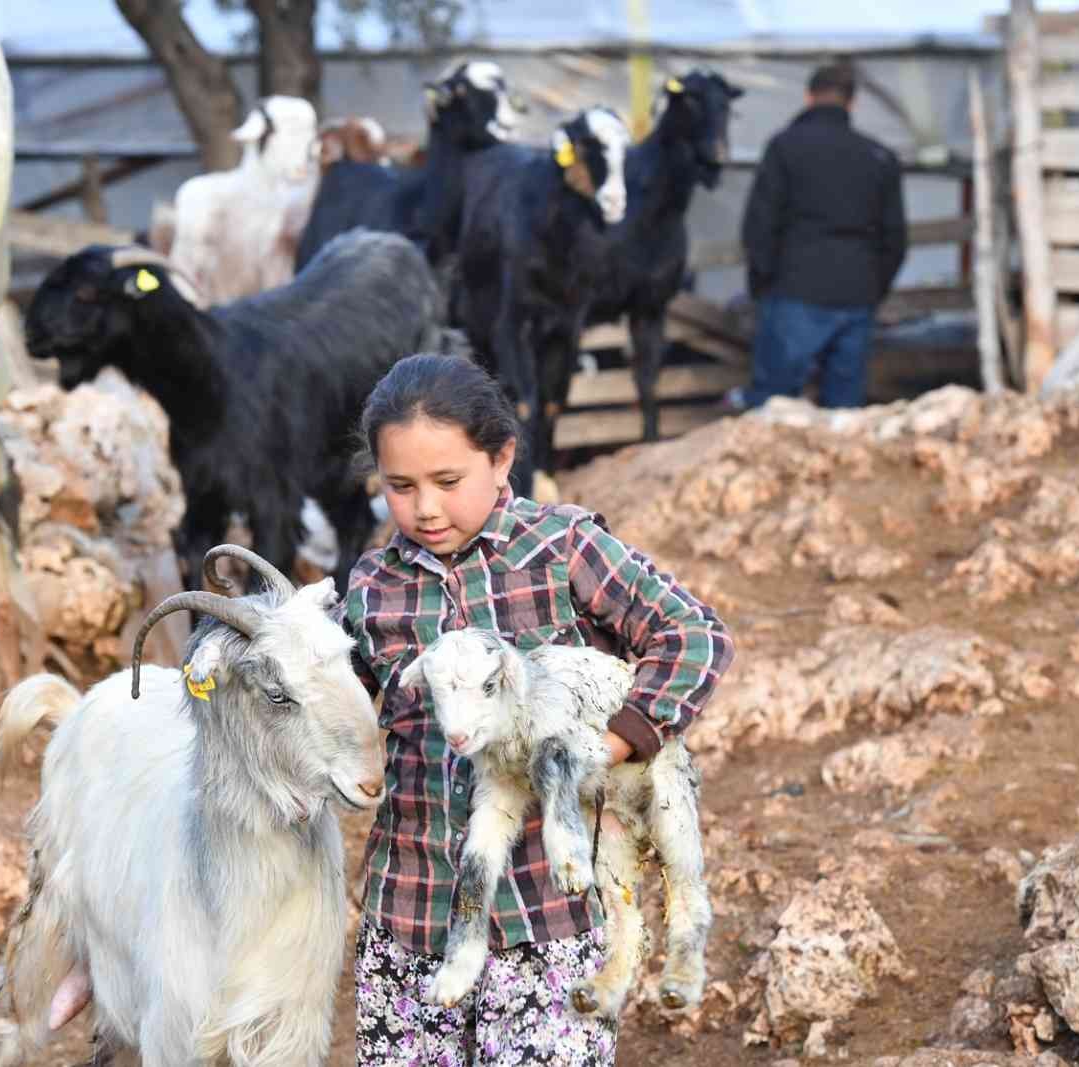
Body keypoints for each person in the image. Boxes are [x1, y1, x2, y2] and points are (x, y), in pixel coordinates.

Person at [340, 352, 734, 1066]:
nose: (425, 508)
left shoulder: (562, 548)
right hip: (412, 909)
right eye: (400, 486)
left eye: (447, 481)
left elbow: (694, 635)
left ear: (502, 458)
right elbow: (334, 703)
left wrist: (613, 744)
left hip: (549, 917)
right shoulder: (373, 586)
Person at [727, 62, 907, 412]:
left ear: (808, 97)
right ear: (852, 103)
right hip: (856, 294)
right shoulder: (879, 157)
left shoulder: (785, 147)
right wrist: (873, 288)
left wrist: (762, 285)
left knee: (775, 408)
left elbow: (759, 226)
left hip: (794, 290)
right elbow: (894, 239)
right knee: (843, 412)